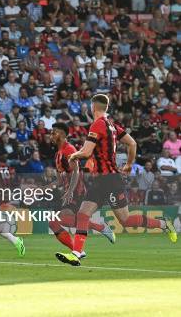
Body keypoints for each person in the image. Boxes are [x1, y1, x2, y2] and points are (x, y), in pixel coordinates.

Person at [56, 94, 177, 266]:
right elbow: (132, 143)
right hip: (100, 180)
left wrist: (73, 156)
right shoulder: (112, 125)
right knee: (83, 214)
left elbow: (86, 152)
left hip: (110, 179)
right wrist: (128, 164)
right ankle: (77, 253)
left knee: (125, 220)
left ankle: (164, 224)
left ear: (93, 107)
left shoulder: (97, 124)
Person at [48, 123, 116, 258]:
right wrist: (43, 188)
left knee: (58, 219)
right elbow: (60, 180)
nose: (50, 135)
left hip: (76, 192)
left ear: (61, 135)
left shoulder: (69, 149)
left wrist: (70, 191)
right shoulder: (58, 154)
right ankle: (82, 246)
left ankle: (80, 248)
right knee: (54, 222)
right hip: (68, 193)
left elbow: (77, 171)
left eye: (53, 132)